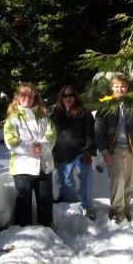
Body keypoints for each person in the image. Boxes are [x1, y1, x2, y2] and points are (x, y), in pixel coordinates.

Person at [95, 74, 133, 224]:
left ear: (127, 88)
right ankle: (117, 212)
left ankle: (125, 208)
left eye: (123, 86)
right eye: (117, 86)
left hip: (132, 149)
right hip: (115, 149)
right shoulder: (105, 105)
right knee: (117, 179)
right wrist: (105, 152)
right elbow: (99, 132)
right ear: (112, 88)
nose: (120, 89)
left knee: (130, 181)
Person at [3, 82, 57, 227]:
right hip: (22, 167)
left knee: (45, 200)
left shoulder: (43, 116)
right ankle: (23, 232)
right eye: (23, 95)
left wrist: (43, 146)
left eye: (30, 95)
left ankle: (47, 230)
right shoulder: (12, 118)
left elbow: (52, 135)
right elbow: (10, 141)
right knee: (24, 201)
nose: (27, 98)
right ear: (18, 98)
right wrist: (31, 147)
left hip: (44, 165)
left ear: (35, 98)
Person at [51, 85, 97, 220]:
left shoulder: (84, 114)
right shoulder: (55, 116)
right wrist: (52, 155)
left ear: (75, 96)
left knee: (87, 173)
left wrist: (89, 152)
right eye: (65, 96)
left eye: (70, 95)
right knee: (67, 186)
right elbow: (50, 138)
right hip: (62, 156)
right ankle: (71, 208)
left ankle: (87, 206)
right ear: (61, 98)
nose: (68, 98)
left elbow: (91, 135)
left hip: (80, 154)